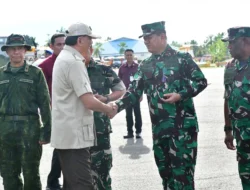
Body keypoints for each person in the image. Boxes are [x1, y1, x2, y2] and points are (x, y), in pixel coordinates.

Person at [111, 21, 207, 189]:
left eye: (149, 37)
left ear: (163, 37)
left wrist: (180, 95)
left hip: (182, 131)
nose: (146, 41)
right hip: (160, 132)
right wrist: (115, 106)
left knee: (183, 178)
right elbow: (133, 92)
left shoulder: (182, 59)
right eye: (144, 38)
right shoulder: (145, 65)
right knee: (167, 178)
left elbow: (201, 81)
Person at [51, 22, 117, 190]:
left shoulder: (65, 58)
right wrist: (109, 108)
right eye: (90, 40)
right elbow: (88, 101)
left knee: (72, 184)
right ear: (80, 40)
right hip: (74, 137)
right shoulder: (74, 62)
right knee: (83, 185)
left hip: (70, 135)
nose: (91, 44)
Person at [0, 34, 51, 190]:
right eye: (13, 49)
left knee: (31, 174)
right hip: (5, 130)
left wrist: (46, 131)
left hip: (30, 129)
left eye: (20, 49)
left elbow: (45, 104)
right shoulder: (0, 74)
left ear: (25, 51)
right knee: (8, 174)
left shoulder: (36, 73)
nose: (16, 52)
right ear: (7, 52)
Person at [87, 46, 126, 190]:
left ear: (91, 49)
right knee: (79, 174)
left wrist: (106, 98)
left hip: (99, 127)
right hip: (76, 128)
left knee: (102, 170)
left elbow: (121, 89)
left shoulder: (103, 69)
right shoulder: (72, 69)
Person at [222, 27, 250, 190]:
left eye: (232, 42)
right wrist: (228, 129)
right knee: (245, 175)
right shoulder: (230, 67)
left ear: (246, 41)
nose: (229, 46)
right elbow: (227, 98)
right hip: (242, 136)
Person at [39, 33, 65, 190]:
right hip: (55, 112)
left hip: (73, 111)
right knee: (61, 146)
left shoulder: (74, 61)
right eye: (58, 44)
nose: (62, 47)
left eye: (64, 44)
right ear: (51, 46)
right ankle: (53, 180)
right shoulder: (45, 66)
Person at [118, 49, 142, 139]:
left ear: (133, 55)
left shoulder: (138, 67)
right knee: (128, 115)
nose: (129, 56)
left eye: (130, 55)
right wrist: (120, 93)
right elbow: (119, 81)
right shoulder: (122, 68)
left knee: (137, 113)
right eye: (127, 55)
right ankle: (130, 132)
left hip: (136, 94)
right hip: (126, 95)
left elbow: (141, 81)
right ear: (125, 56)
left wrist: (141, 94)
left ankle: (138, 132)